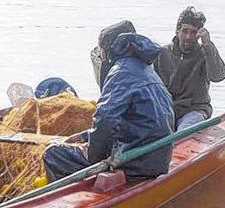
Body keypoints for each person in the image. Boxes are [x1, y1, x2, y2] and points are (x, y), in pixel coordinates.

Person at [43, 21, 175, 182]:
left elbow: (106, 120)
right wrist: (85, 136)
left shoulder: (120, 72)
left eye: (102, 50)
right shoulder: (147, 70)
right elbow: (135, 119)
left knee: (52, 154)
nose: (101, 55)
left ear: (111, 48)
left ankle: (67, 198)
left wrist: (92, 155)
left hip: (133, 162)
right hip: (157, 159)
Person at [154, 6, 225, 131]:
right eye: (185, 31)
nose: (188, 37)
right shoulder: (163, 53)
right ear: (177, 31)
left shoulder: (205, 53)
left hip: (194, 110)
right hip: (166, 109)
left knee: (185, 131)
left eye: (193, 32)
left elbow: (218, 76)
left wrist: (208, 45)